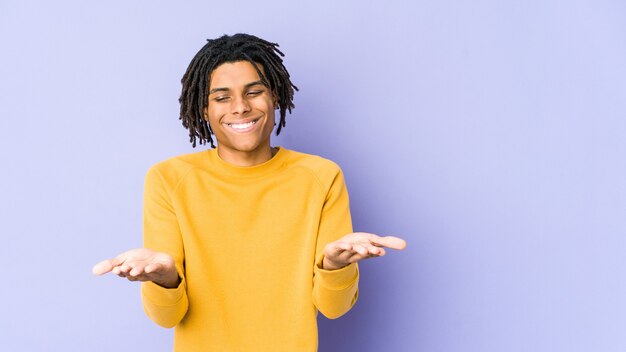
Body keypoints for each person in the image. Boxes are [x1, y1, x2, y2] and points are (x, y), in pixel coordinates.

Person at [92, 33, 406, 351]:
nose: (241, 107)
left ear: (276, 98)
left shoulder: (321, 177)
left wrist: (335, 266)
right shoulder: (168, 179)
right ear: (203, 109)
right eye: (222, 97)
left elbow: (333, 308)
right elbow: (166, 316)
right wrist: (164, 278)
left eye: (254, 92)